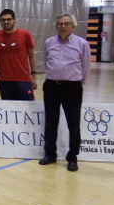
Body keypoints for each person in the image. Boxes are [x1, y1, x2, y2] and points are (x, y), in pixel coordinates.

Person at [39, 14, 91, 172]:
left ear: (73, 26)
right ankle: (50, 154)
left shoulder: (82, 44)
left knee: (73, 123)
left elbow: (86, 66)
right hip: (51, 86)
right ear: (56, 26)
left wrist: (78, 82)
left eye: (67, 23)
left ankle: (72, 157)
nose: (63, 26)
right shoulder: (49, 42)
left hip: (72, 88)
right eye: (60, 23)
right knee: (50, 122)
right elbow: (46, 61)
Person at [0, 9, 37, 100]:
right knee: (9, 109)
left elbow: (32, 56)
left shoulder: (25, 34)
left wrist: (34, 77)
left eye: (9, 19)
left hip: (23, 79)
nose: (6, 22)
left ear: (14, 20)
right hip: (4, 81)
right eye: (3, 20)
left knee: (27, 107)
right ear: (0, 21)